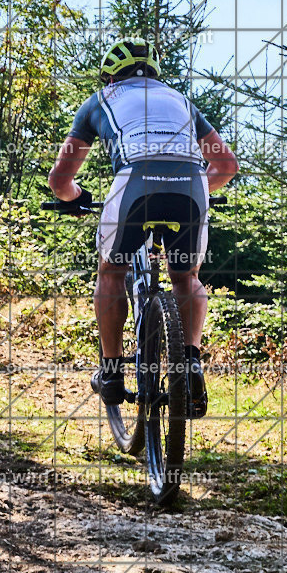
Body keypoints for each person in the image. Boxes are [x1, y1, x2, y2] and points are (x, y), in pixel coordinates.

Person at [47, 37, 238, 416]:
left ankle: (112, 372)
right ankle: (190, 361)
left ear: (110, 77)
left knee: (111, 270)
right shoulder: (182, 100)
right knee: (187, 277)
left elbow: (60, 180)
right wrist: (198, 186)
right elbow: (227, 166)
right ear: (154, 73)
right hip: (191, 184)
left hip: (134, 180)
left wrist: (76, 197)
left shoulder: (99, 100)